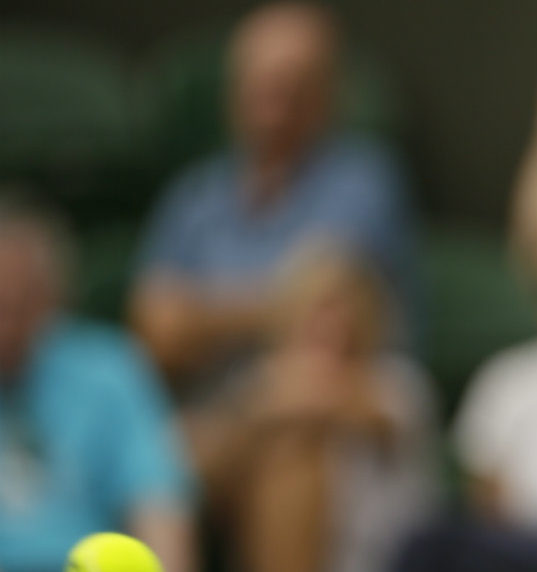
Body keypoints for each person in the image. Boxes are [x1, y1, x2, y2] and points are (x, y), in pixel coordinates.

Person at [130, 2, 419, 394]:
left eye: (292, 88)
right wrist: (275, 306)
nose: (274, 109)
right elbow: (155, 331)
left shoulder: (363, 180)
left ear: (327, 95)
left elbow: (326, 315)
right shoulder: (193, 194)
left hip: (327, 403)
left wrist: (197, 317)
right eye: (260, 86)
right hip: (212, 414)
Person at [182, 240, 439, 572]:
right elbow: (185, 456)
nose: (333, 324)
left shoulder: (396, 382)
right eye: (319, 309)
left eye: (346, 309)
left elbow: (359, 412)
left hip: (384, 558)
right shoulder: (261, 384)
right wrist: (251, 413)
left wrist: (265, 402)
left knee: (294, 455)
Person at [0, 200, 195, 572]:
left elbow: (158, 502)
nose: (5, 323)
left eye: (19, 302)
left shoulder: (109, 370)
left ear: (52, 298)